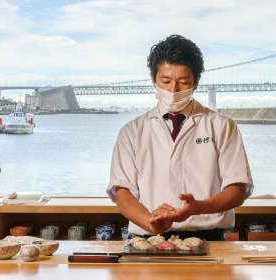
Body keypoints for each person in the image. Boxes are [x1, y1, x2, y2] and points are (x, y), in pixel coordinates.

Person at [106, 35, 254, 241]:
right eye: (165, 81)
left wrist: (198, 208)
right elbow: (122, 193)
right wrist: (152, 222)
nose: (173, 91)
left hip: (209, 239)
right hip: (148, 239)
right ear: (152, 79)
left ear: (197, 82)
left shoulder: (222, 126)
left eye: (183, 82)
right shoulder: (131, 131)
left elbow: (237, 189)